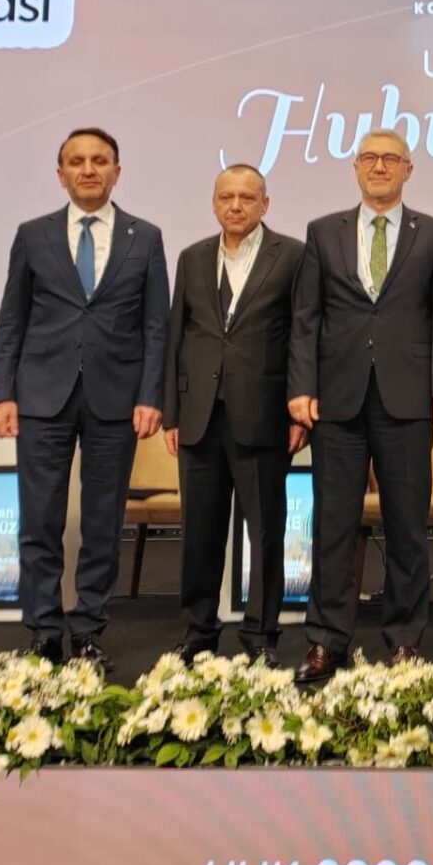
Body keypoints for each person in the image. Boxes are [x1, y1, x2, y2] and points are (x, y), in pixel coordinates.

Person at [0, 127, 168, 668]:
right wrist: (1, 394)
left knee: (102, 523)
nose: (89, 169)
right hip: (41, 397)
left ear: (117, 171)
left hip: (117, 400)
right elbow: (12, 319)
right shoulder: (33, 235)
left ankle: (89, 629)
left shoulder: (146, 237)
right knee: (39, 519)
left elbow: (156, 326)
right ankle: (44, 631)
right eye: (77, 161)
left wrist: (151, 395)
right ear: (60, 173)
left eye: (99, 161)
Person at [288, 129, 433, 681]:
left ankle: (404, 639)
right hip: (337, 400)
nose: (380, 167)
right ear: (356, 167)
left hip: (408, 397)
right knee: (333, 525)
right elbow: (307, 317)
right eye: (370, 158)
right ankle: (326, 640)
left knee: (407, 527)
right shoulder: (323, 231)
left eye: (391, 159)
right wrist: (301, 387)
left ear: (409, 169)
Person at [160, 164, 306, 665]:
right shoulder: (193, 257)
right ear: (214, 202)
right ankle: (198, 631)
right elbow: (177, 335)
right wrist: (172, 413)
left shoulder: (293, 256)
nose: (236, 205)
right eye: (227, 197)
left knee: (264, 532)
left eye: (247, 197)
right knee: (199, 532)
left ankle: (261, 635)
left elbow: (302, 337)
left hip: (264, 415)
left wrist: (299, 409)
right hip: (199, 416)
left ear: (265, 204)